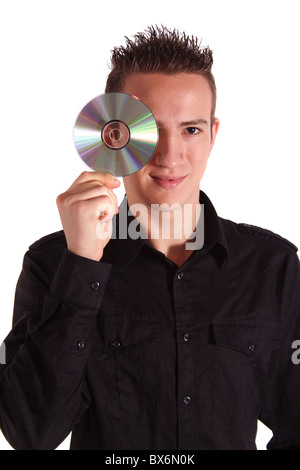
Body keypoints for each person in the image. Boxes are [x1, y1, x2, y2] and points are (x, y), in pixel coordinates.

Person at [0, 25, 299, 451]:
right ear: (113, 135)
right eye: (150, 130)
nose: (169, 156)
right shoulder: (55, 263)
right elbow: (31, 433)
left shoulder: (272, 265)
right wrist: (83, 262)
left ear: (213, 135)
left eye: (191, 130)